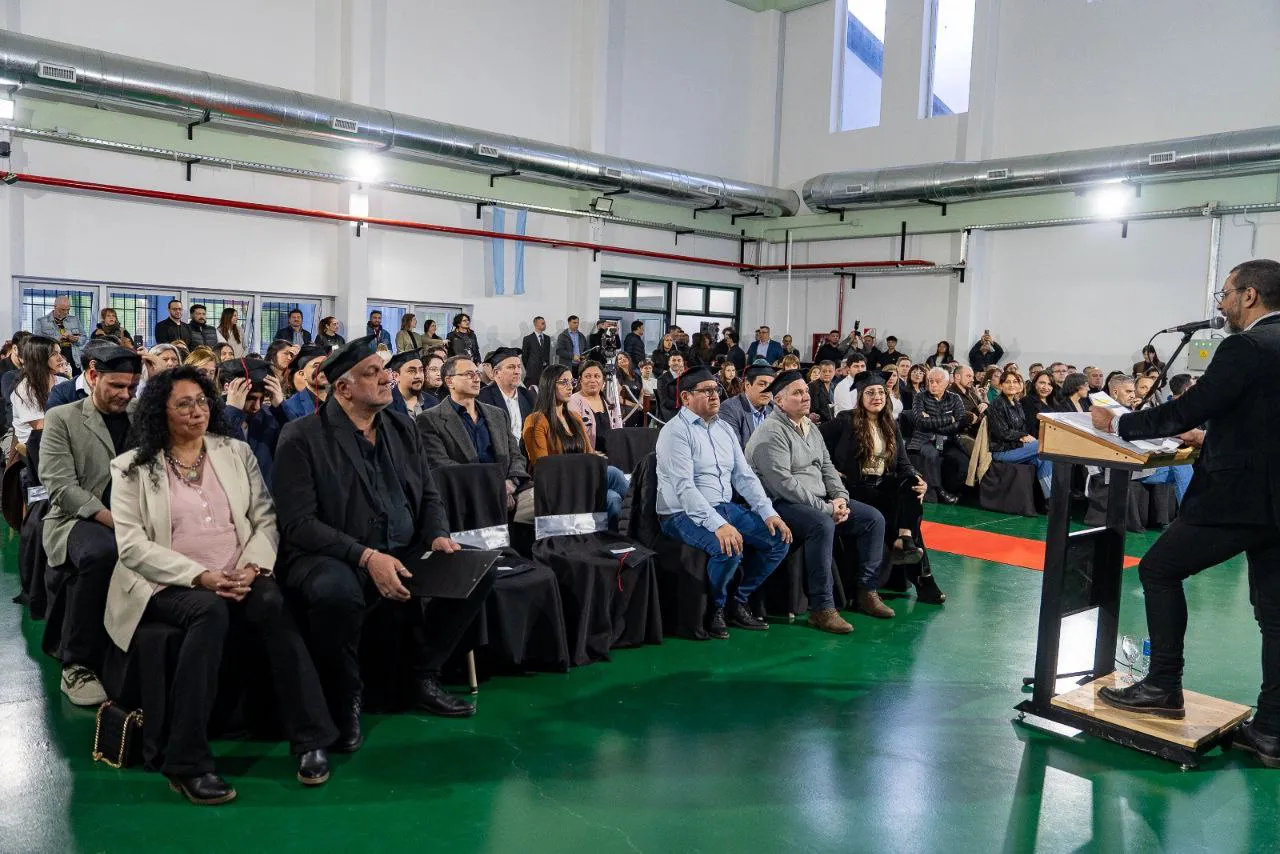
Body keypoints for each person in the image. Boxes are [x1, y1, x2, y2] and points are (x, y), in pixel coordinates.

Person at [106, 366, 335, 804]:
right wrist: (201, 577)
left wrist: (251, 568)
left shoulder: (234, 452)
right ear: (160, 411)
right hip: (166, 582)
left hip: (239, 572)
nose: (198, 412)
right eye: (184, 404)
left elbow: (265, 519)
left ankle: (310, 738)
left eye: (202, 401)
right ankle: (187, 762)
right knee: (208, 612)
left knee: (271, 603)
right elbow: (132, 548)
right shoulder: (132, 468)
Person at [1086, 261, 1280, 763]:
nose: (1221, 302)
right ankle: (1273, 730)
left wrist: (1121, 422)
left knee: (1159, 569)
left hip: (1238, 497)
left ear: (1251, 296)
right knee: (1275, 613)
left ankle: (1163, 686)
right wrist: (1212, 438)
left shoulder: (1246, 345)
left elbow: (1186, 409)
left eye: (1227, 292)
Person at [273, 338, 494, 752]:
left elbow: (428, 492)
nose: (386, 378)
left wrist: (438, 534)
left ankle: (422, 675)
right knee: (333, 593)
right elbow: (298, 524)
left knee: (477, 570)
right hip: (334, 555)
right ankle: (346, 699)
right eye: (372, 373)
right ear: (343, 388)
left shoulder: (400, 425)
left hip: (402, 546)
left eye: (383, 370)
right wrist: (366, 557)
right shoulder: (301, 436)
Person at [655, 366, 791, 638]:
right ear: (685, 398)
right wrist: (719, 525)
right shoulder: (675, 432)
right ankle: (716, 607)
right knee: (729, 548)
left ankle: (737, 601)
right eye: (706, 391)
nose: (715, 395)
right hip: (681, 514)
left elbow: (744, 477)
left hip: (723, 506)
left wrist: (768, 513)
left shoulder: (725, 429)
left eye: (716, 389)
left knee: (778, 539)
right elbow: (685, 489)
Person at [38, 345, 141, 706]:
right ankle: (77, 664)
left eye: (131, 386)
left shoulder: (139, 416)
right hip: (78, 518)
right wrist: (111, 519)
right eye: (116, 385)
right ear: (93, 376)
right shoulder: (62, 418)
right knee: (102, 553)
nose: (124, 395)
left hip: (137, 517)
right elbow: (60, 486)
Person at [746, 371, 888, 629]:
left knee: (873, 519)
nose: (805, 397)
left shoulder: (809, 427)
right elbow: (784, 485)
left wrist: (841, 498)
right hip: (779, 504)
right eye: (797, 393)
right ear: (779, 401)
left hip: (820, 499)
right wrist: (825, 508)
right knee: (821, 524)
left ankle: (866, 591)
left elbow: (827, 466)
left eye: (806, 392)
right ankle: (822, 608)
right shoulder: (770, 433)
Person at [821, 372, 944, 604]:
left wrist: (918, 479)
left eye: (881, 392)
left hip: (882, 485)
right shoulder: (845, 420)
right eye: (870, 393)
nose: (877, 397)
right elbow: (814, 442)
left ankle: (904, 539)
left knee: (911, 486)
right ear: (860, 397)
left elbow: (904, 464)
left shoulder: (890, 424)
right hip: (854, 488)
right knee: (907, 515)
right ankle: (922, 577)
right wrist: (830, 470)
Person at [419, 355, 533, 521]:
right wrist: (492, 487)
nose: (476, 378)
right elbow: (441, 465)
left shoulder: (497, 414)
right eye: (468, 374)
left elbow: (516, 455)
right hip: (462, 498)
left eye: (477, 374)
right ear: (449, 381)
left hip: (508, 492)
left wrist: (511, 483)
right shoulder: (430, 419)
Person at [521, 364, 630, 524]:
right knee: (613, 473)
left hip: (582, 477)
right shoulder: (536, 420)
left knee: (613, 498)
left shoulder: (574, 418)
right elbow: (541, 465)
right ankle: (645, 515)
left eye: (571, 382)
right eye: (563, 382)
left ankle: (618, 538)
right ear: (550, 385)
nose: (569, 387)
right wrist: (583, 467)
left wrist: (591, 464)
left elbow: (589, 452)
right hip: (558, 482)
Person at [218, 359, 287, 488]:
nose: (257, 406)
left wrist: (281, 408)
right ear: (230, 389)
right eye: (251, 398)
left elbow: (292, 445)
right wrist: (233, 411)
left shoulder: (268, 416)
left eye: (262, 399)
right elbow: (223, 448)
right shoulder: (212, 416)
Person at [987, 371, 1053, 497]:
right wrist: (1022, 436)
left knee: (1043, 459)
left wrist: (1023, 436)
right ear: (1001, 385)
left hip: (1016, 446)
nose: (1012, 385)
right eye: (1007, 382)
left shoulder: (1016, 403)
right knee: (1045, 445)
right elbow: (1002, 433)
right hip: (1002, 450)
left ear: (1019, 385)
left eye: (1015, 382)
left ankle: (1050, 500)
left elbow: (1022, 427)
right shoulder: (997, 403)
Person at [908, 367, 969, 504]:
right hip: (925, 439)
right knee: (931, 455)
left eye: (937, 381)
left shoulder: (954, 397)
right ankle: (939, 491)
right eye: (930, 381)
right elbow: (921, 422)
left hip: (949, 439)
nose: (933, 385)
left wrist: (934, 421)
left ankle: (953, 488)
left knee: (963, 461)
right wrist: (949, 418)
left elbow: (961, 422)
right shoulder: (920, 397)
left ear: (947, 383)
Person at [10, 336, 69, 452]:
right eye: (54, 354)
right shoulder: (25, 389)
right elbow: (40, 427)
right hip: (35, 443)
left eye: (59, 353)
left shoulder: (63, 382)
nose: (60, 358)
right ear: (39, 358)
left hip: (60, 436)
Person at [568, 360, 624, 453]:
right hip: (586, 456)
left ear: (603, 380)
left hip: (611, 454)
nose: (592, 380)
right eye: (588, 376)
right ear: (580, 380)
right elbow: (575, 434)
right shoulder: (573, 401)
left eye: (597, 376)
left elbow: (618, 431)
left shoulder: (609, 402)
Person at [478, 347, 534, 438]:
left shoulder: (528, 396)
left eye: (519, 366)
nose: (517, 372)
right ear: (496, 373)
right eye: (511, 367)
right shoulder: (482, 398)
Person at [718, 363, 777, 449]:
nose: (768, 390)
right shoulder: (729, 409)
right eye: (762, 384)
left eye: (771, 385)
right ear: (747, 385)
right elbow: (735, 450)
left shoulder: (773, 408)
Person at [33, 296, 86, 371]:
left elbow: (84, 338)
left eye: (68, 310)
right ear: (55, 307)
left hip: (74, 360)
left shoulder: (75, 320)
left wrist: (76, 339)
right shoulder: (41, 321)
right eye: (63, 309)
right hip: (52, 361)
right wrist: (58, 339)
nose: (66, 312)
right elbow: (37, 344)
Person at [281, 345, 329, 421]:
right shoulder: (291, 406)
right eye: (316, 366)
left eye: (326, 364)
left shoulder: (340, 398)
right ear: (302, 374)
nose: (323, 369)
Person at [386, 350, 429, 418]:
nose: (418, 376)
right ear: (396, 376)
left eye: (421, 370)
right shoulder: (386, 406)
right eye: (411, 371)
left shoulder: (433, 401)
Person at [951, 365, 988, 439]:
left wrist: (985, 404)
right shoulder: (949, 394)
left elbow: (983, 407)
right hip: (961, 436)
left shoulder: (972, 392)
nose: (972, 379)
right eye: (968, 376)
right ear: (958, 376)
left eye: (972, 376)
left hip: (980, 433)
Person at [613, 352, 645, 427]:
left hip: (637, 404)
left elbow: (642, 392)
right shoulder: (617, 377)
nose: (623, 359)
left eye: (625, 357)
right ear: (617, 363)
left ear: (629, 359)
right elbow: (618, 397)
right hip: (625, 406)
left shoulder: (637, 375)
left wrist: (640, 403)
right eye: (620, 359)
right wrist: (633, 405)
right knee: (631, 412)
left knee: (648, 411)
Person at [521, 315, 552, 387]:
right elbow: (524, 356)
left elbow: (547, 355)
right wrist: (529, 369)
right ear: (536, 325)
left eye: (545, 323)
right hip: (532, 373)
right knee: (532, 392)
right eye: (542, 323)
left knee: (544, 390)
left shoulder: (547, 338)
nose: (545, 325)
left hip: (545, 371)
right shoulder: (528, 339)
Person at [655, 352, 685, 422]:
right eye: (674, 360)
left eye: (679, 360)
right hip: (670, 411)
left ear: (682, 363)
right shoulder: (662, 379)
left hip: (685, 409)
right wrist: (682, 405)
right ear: (669, 363)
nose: (676, 363)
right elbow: (665, 401)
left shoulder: (687, 377)